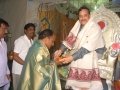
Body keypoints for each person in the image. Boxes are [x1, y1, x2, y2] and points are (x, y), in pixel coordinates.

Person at [54, 6, 106, 90]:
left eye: (85, 15)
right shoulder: (78, 24)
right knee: (70, 55)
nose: (82, 18)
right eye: (80, 16)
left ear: (89, 16)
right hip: (81, 49)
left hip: (95, 52)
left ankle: (84, 85)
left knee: (85, 56)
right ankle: (76, 85)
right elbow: (69, 40)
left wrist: (72, 58)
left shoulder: (95, 27)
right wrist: (60, 50)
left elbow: (86, 49)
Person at [12, 23, 36, 90]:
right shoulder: (20, 40)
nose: (32, 31)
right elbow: (15, 56)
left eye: (33, 29)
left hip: (26, 71)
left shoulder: (32, 41)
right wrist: (26, 64)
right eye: (30, 29)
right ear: (25, 31)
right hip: (18, 71)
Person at [0, 18, 10, 90]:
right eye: (4, 29)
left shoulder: (4, 43)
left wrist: (7, 72)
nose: (6, 31)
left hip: (3, 77)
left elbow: (4, 60)